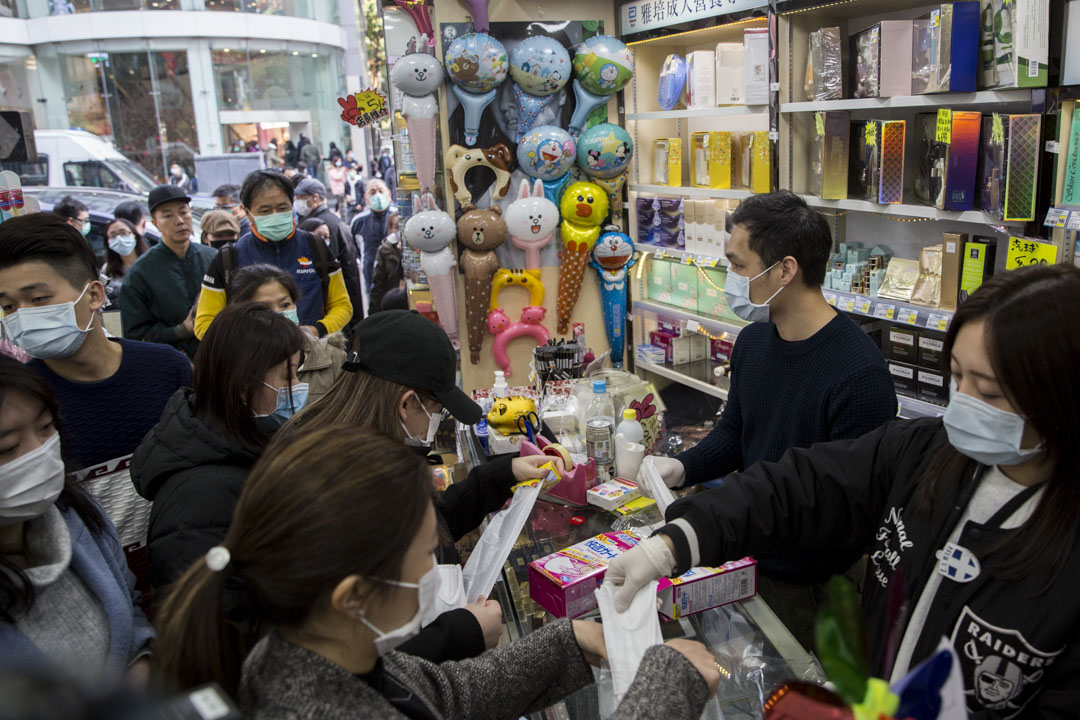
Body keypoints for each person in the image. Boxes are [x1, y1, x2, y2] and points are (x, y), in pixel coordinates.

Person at [609, 263, 1080, 717]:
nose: (965, 405)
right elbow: (801, 485)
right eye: (957, 377)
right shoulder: (924, 451)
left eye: (991, 392)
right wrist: (674, 543)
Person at [153, 425, 720, 719]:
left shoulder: (322, 654)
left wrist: (568, 642)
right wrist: (667, 690)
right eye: (428, 558)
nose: (439, 573)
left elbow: (444, 696)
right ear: (353, 597)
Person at [637, 191, 896, 648]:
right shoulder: (755, 342)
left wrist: (730, 521)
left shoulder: (860, 375)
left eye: (738, 266)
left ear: (785, 270)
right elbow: (737, 432)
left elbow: (846, 514)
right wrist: (684, 467)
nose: (729, 278)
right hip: (748, 557)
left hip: (815, 591)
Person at [280, 309, 559, 663]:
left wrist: (504, 474)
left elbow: (429, 524)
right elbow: (349, 657)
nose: (439, 419)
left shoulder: (355, 448)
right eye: (438, 408)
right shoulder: (341, 486)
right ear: (407, 403)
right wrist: (461, 634)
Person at [0, 213, 191, 597]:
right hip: (99, 592)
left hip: (185, 577)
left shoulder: (166, 368)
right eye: (8, 307)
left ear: (94, 295)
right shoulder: (26, 406)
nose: (22, 317)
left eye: (38, 299)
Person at [131, 303, 306, 596]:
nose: (299, 386)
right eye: (288, 376)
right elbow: (206, 618)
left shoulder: (253, 441)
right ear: (243, 383)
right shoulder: (199, 496)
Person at [0, 356, 154, 682]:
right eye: (7, 448)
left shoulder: (79, 514)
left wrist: (138, 684)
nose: (39, 455)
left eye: (45, 428)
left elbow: (130, 613)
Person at [195, 170, 352, 341]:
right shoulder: (228, 258)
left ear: (292, 205)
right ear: (247, 212)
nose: (275, 215)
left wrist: (317, 330)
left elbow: (342, 305)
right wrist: (246, 339)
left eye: (282, 208)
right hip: (255, 362)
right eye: (265, 211)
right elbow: (204, 323)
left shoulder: (316, 247)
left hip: (314, 356)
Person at [120, 185, 217, 359]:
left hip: (220, 357)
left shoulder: (213, 258)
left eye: (184, 212)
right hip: (172, 363)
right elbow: (135, 335)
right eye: (168, 215)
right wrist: (180, 331)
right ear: (155, 223)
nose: (179, 220)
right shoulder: (141, 272)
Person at [229, 263, 346, 404]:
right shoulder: (235, 364)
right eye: (264, 308)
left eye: (285, 305)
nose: (278, 314)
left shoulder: (332, 358)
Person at [295, 178, 364, 325]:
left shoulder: (324, 225)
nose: (297, 202)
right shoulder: (329, 221)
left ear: (315, 198)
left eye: (301, 198)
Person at [351, 179, 396, 306]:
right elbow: (354, 249)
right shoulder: (358, 221)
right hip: (370, 273)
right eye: (372, 192)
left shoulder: (397, 215)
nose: (377, 195)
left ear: (388, 194)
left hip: (395, 273)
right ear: (366, 198)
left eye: (380, 191)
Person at [101, 218, 149, 309]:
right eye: (113, 235)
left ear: (134, 235)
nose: (119, 238)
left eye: (123, 233)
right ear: (108, 242)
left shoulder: (151, 262)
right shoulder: (108, 269)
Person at [369, 212, 402, 314]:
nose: (401, 231)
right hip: (394, 307)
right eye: (397, 227)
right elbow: (378, 284)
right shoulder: (385, 250)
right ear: (391, 229)